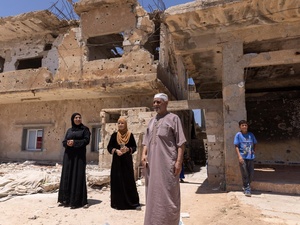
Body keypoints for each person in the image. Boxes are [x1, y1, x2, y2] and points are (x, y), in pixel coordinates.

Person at [142, 93, 186, 225]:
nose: (155, 104)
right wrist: (143, 155)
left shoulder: (174, 119)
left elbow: (181, 143)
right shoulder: (151, 121)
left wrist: (178, 162)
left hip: (168, 164)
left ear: (166, 103)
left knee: (169, 192)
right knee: (152, 193)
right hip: (151, 165)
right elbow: (146, 141)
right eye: (154, 102)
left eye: (158, 102)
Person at [58, 112, 91, 209]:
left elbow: (86, 141)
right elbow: (64, 142)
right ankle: (65, 200)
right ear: (72, 119)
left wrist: (75, 142)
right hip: (68, 156)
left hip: (79, 157)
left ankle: (77, 201)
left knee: (78, 176)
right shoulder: (69, 130)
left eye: (79, 117)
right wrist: (67, 143)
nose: (78, 119)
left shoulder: (85, 129)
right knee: (67, 176)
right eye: (76, 117)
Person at [107, 117, 141, 210]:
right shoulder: (114, 135)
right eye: (119, 123)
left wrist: (128, 149)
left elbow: (134, 147)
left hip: (126, 162)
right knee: (117, 181)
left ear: (125, 124)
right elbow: (109, 147)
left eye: (122, 123)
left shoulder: (130, 135)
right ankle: (118, 203)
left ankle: (131, 202)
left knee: (128, 180)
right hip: (117, 162)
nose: (120, 125)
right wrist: (116, 150)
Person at [234, 120, 257, 197]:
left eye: (245, 125)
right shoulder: (238, 135)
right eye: (242, 125)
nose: (244, 127)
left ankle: (246, 185)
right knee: (245, 173)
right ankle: (247, 188)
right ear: (240, 127)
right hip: (242, 157)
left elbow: (255, 143)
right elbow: (236, 146)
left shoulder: (251, 135)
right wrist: (239, 156)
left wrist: (253, 151)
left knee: (251, 173)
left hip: (250, 157)